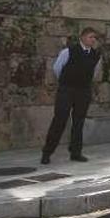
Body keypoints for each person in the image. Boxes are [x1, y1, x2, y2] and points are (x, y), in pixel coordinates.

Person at [41, 27, 102, 164]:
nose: (93, 40)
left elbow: (95, 72)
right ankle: (47, 152)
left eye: (94, 38)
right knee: (60, 120)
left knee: (79, 121)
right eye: (90, 37)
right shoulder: (68, 51)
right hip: (67, 90)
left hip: (83, 91)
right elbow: (57, 68)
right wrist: (66, 81)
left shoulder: (96, 54)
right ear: (82, 37)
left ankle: (76, 152)